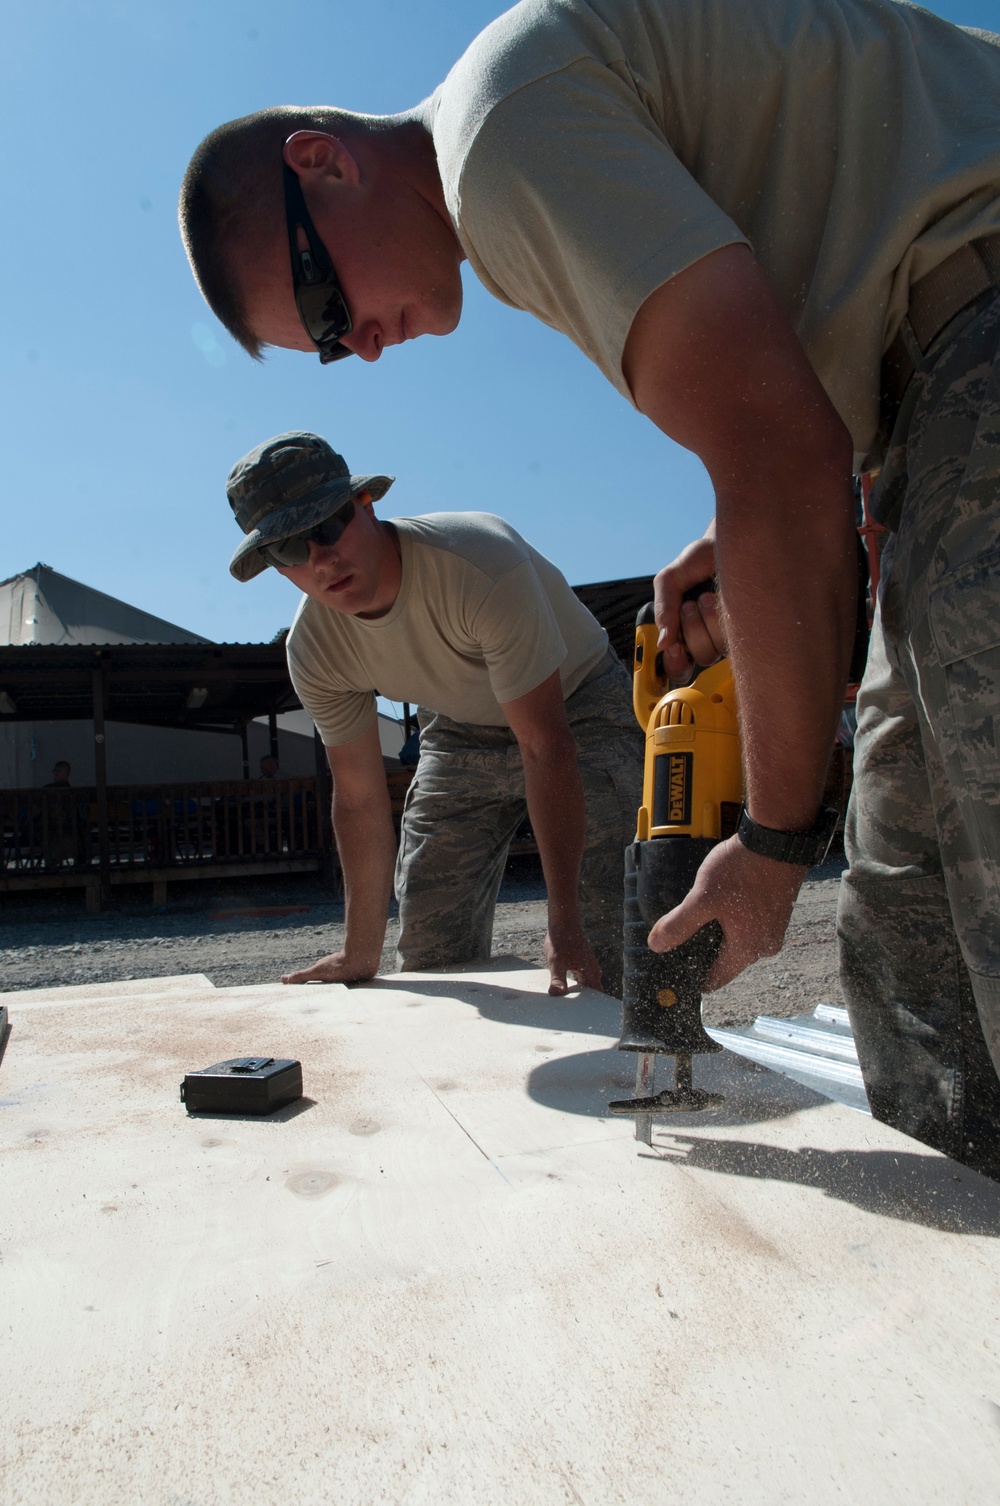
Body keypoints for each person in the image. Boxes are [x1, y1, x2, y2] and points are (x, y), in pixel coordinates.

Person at [179, 1, 1000, 1169]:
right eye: (326, 344)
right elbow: (784, 428)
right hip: (930, 399)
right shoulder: (521, 126)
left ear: (324, 160)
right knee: (908, 908)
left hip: (976, 326)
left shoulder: (498, 143)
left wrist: (767, 844)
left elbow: (774, 448)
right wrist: (773, 507)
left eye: (324, 305)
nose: (355, 344)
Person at [225, 431, 642, 997]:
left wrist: (562, 920)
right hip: (458, 729)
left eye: (327, 525)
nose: (321, 559)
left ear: (365, 504)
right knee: (431, 937)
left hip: (577, 707)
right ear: (274, 566)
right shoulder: (315, 650)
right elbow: (359, 796)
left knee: (602, 935)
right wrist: (358, 950)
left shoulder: (479, 563)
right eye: (291, 549)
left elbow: (545, 745)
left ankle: (646, 1068)